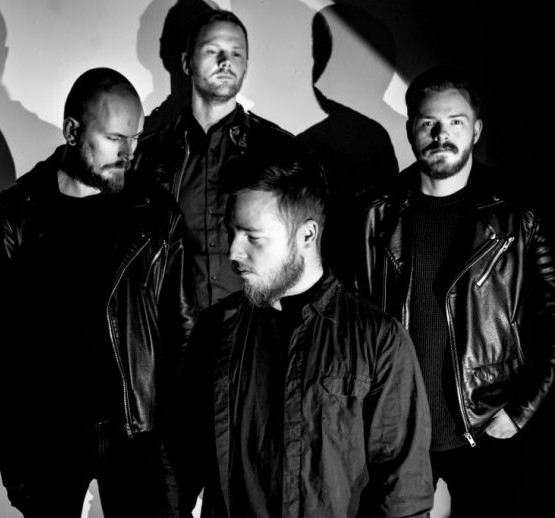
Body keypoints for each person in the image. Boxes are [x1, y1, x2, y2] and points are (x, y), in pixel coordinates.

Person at [178, 153, 433, 517]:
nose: (233, 251)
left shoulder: (378, 339)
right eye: (231, 232)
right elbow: (180, 456)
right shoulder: (215, 328)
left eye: (253, 237)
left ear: (307, 235)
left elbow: (403, 491)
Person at [354, 65, 555, 517]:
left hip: (487, 427)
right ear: (410, 129)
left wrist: (521, 411)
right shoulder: (374, 213)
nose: (441, 135)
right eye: (429, 123)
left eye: (455, 122)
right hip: (398, 429)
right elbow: (352, 320)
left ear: (476, 130)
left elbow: (554, 321)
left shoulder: (518, 214)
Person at [0, 67, 190, 517]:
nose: (129, 153)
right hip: (49, 434)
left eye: (134, 138)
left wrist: (178, 442)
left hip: (136, 431)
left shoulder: (155, 211)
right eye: (115, 138)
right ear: (72, 131)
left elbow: (181, 330)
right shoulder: (18, 212)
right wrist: (13, 453)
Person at [135, 9, 299, 319]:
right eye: (213, 51)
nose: (226, 61)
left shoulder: (278, 149)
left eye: (236, 53)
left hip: (257, 333)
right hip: (172, 337)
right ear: (187, 62)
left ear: (246, 65)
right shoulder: (149, 154)